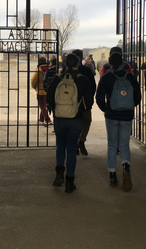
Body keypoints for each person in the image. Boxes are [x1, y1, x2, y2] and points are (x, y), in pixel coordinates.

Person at [46, 54, 94, 193]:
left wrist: (57, 109)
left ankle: (59, 174)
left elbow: (49, 97)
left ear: (65, 64)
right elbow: (89, 101)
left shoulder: (57, 79)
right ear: (78, 64)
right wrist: (80, 108)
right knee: (72, 150)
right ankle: (69, 182)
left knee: (60, 146)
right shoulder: (83, 80)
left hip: (60, 118)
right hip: (76, 119)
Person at [96, 52, 141, 192]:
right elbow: (137, 98)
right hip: (127, 115)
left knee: (112, 144)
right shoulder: (130, 77)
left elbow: (98, 98)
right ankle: (126, 167)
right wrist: (129, 107)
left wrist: (106, 109)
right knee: (124, 143)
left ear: (110, 63)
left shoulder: (106, 77)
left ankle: (112, 174)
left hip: (112, 115)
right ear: (122, 63)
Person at [72, 49, 96, 156]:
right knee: (86, 122)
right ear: (82, 58)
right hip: (85, 103)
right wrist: (90, 100)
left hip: (70, 103)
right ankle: (81, 141)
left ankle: (75, 145)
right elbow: (93, 86)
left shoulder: (66, 71)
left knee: (74, 124)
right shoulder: (86, 70)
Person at [30, 56, 51, 125]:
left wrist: (34, 87)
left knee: (42, 105)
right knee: (44, 104)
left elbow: (33, 80)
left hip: (40, 90)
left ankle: (47, 119)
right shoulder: (49, 69)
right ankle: (41, 118)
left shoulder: (38, 70)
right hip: (48, 89)